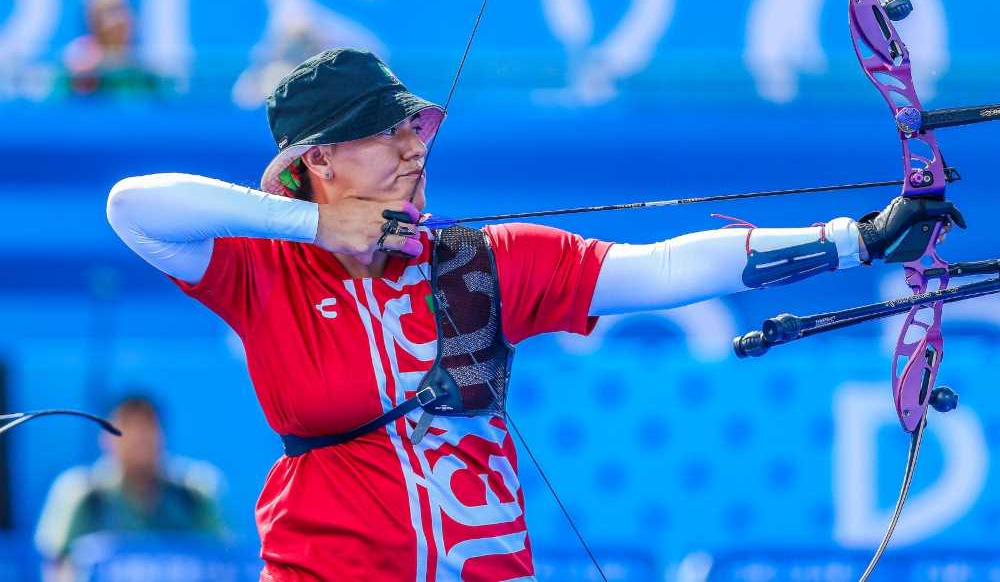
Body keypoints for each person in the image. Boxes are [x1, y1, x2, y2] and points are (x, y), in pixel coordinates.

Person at [105, 48, 962, 581]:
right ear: (319, 160)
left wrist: (858, 238)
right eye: (385, 134)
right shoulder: (263, 271)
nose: (415, 147)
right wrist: (315, 224)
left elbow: (660, 268)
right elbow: (132, 204)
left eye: (417, 128)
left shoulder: (479, 260)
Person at [34, 396, 225, 577]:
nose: (138, 438)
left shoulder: (194, 492)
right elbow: (58, 566)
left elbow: (223, 560)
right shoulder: (82, 493)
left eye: (147, 427)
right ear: (105, 437)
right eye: (127, 426)